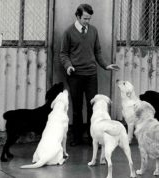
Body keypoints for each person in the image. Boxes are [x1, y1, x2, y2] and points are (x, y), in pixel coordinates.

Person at [60, 3, 119, 146]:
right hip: (75, 75)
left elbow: (97, 51)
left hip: (91, 74)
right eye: (85, 19)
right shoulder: (68, 32)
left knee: (93, 107)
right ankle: (77, 138)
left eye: (89, 19)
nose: (87, 21)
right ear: (78, 16)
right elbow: (63, 54)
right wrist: (68, 66)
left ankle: (93, 138)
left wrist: (105, 65)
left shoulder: (93, 31)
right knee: (77, 107)